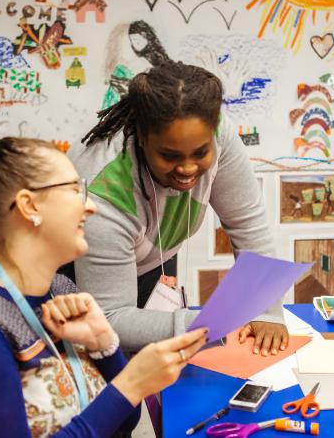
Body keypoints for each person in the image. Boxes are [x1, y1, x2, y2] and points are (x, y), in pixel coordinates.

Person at [0, 137, 207, 437]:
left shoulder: (60, 289)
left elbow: (124, 422)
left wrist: (105, 345)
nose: (90, 206)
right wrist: (131, 384)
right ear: (29, 206)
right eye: (75, 190)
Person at [68, 61, 287, 357]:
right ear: (142, 139)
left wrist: (265, 310)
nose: (186, 168)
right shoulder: (104, 194)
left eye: (200, 153)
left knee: (163, 375)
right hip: (83, 281)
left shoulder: (216, 131)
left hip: (152, 257)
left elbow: (247, 223)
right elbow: (108, 318)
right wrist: (210, 325)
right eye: (170, 156)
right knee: (117, 382)